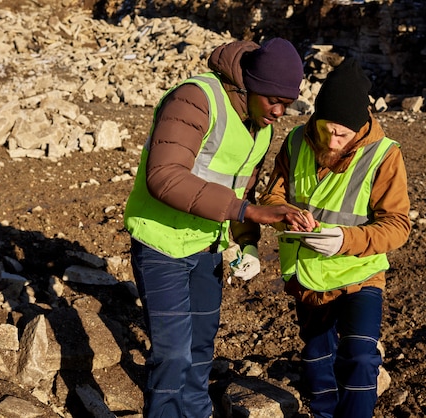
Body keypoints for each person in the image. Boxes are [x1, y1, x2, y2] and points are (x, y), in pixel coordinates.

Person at [123, 38, 312, 418]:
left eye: (287, 104)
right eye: (273, 100)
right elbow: (164, 176)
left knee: (199, 349)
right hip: (162, 244)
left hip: (207, 247)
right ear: (249, 85)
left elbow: (242, 189)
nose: (279, 111)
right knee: (173, 355)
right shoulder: (195, 99)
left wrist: (248, 243)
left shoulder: (260, 126)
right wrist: (248, 212)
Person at [259, 57, 411, 418]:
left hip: (360, 273)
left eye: (342, 134)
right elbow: (271, 197)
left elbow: (398, 225)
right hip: (307, 274)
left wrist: (344, 240)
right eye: (327, 128)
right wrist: (287, 215)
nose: (332, 139)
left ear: (360, 127)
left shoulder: (384, 155)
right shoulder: (297, 140)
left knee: (359, 356)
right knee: (316, 357)